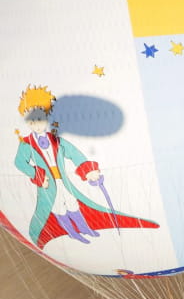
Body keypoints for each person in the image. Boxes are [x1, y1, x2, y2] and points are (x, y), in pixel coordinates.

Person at [14, 85, 158, 249]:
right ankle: (72, 232)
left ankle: (84, 228)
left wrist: (88, 170)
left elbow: (73, 153)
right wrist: (37, 175)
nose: (37, 125)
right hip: (47, 185)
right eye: (33, 121)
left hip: (63, 180)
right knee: (58, 207)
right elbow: (19, 163)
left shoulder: (56, 139)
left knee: (72, 202)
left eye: (40, 120)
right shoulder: (27, 145)